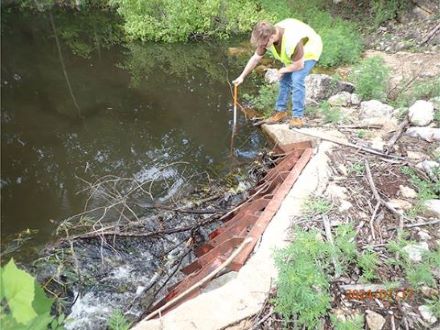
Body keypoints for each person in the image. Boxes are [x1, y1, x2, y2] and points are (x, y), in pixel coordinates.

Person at [233, 19, 323, 128]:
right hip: (294, 55)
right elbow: (256, 58)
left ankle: (298, 118)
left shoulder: (292, 41)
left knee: (297, 79)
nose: (263, 47)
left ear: (271, 37)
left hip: (309, 50)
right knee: (285, 79)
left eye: (264, 45)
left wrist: (282, 70)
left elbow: (299, 65)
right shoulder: (266, 36)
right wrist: (242, 76)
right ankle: (280, 112)